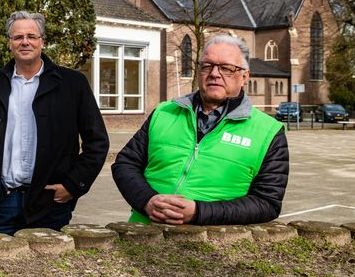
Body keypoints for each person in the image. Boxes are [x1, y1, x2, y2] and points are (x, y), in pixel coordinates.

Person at [112, 35, 289, 225]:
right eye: (207, 66)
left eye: (226, 68)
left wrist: (199, 212)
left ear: (244, 76)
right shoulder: (164, 113)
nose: (214, 73)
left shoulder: (268, 131)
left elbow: (267, 203)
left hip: (212, 246)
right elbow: (125, 164)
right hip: (142, 236)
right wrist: (147, 201)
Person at [0, 11, 109, 234]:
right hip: (1, 201)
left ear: (42, 41)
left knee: (48, 266)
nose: (25, 42)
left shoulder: (73, 84)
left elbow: (97, 142)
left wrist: (73, 185)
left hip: (50, 202)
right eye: (18, 37)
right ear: (9, 43)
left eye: (31, 36)